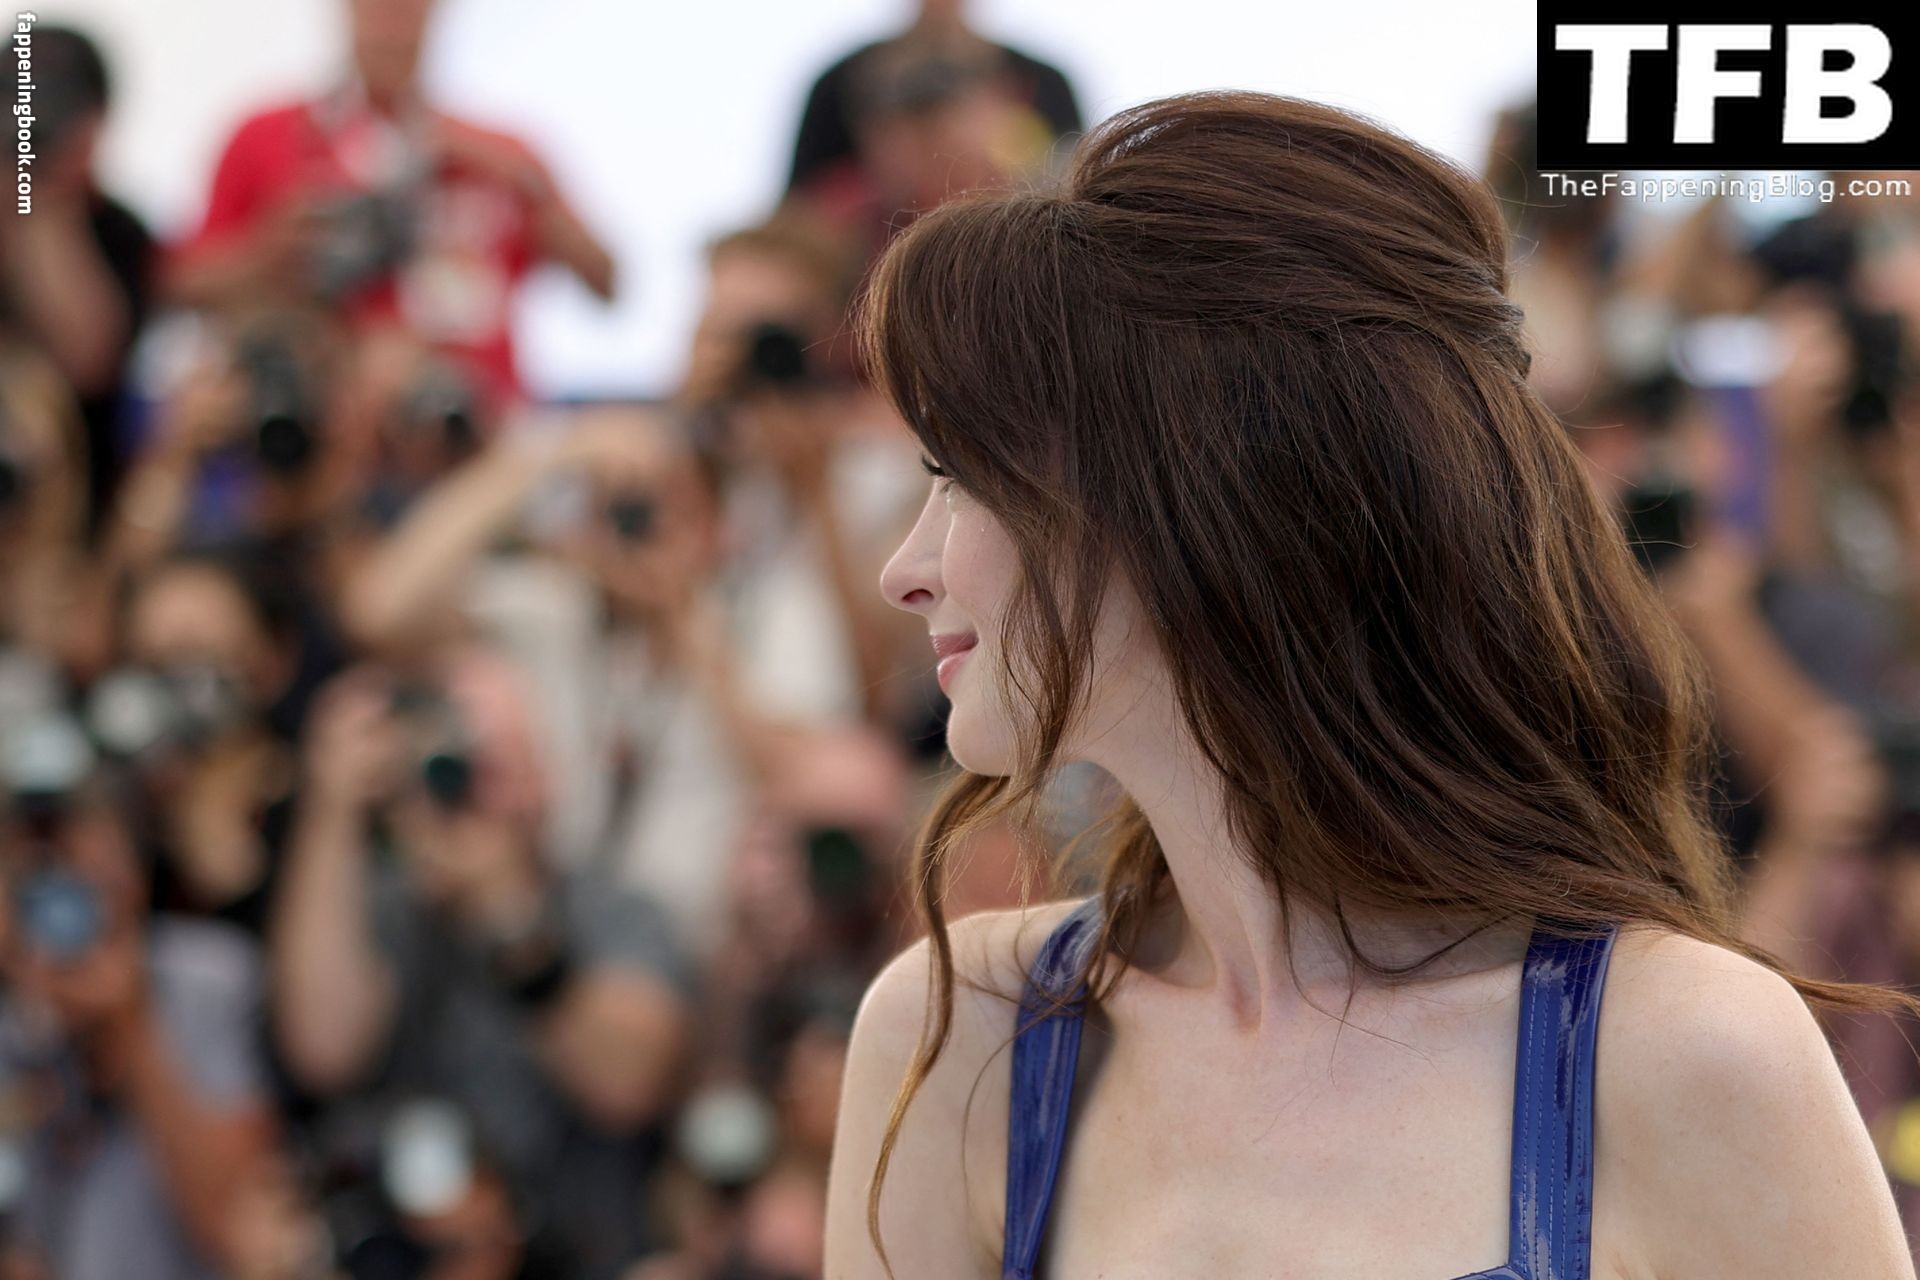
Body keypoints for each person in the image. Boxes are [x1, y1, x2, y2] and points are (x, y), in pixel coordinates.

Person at [823, 91, 1917, 1278]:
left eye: (961, 476)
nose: (905, 569)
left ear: (1205, 507)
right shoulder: (958, 1033)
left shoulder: (1687, 1051)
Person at [163, 0, 615, 411]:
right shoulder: (272, 138)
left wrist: (523, 182)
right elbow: (178, 285)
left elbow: (607, 281)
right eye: (377, 7)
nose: (391, 23)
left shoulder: (495, 153)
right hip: (329, 415)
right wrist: (271, 252)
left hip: (479, 418)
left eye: (407, 7)